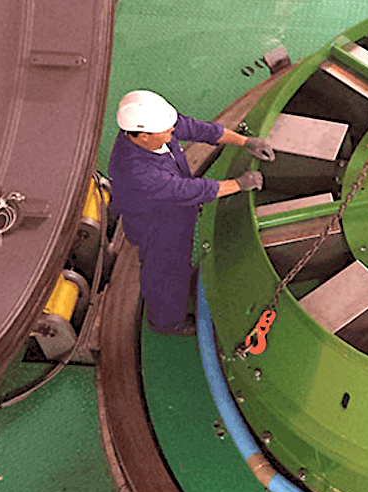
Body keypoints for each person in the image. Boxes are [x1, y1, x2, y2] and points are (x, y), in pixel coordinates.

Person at [108, 90, 276, 336]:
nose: (172, 131)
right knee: (166, 274)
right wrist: (240, 184)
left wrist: (244, 141)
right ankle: (167, 324)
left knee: (175, 270)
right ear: (143, 136)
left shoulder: (153, 131)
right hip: (158, 227)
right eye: (166, 130)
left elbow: (196, 129)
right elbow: (189, 190)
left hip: (174, 210)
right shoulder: (138, 172)